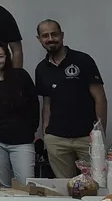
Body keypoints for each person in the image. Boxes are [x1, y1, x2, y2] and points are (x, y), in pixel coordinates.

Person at [35, 19, 107, 178]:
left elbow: (100, 97)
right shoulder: (41, 69)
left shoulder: (83, 60)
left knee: (96, 184)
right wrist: (46, 133)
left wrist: (99, 135)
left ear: (62, 35)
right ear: (39, 39)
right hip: (57, 139)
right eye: (45, 35)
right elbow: (47, 104)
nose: (50, 39)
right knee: (66, 188)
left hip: (86, 137)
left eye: (54, 34)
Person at [0, 42, 39, 187]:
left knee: (27, 183)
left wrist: (32, 129)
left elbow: (34, 104)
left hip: (22, 140)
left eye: (0, 56)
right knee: (1, 185)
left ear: (7, 58)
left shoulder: (21, 76)